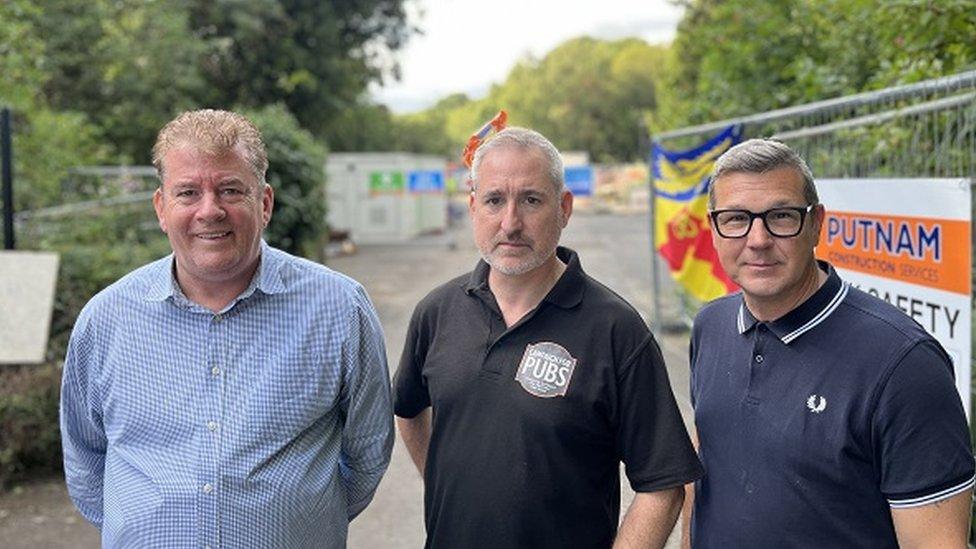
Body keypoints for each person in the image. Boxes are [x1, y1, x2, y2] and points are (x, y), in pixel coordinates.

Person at [60, 109, 393, 548]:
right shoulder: (106, 319)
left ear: (266, 203)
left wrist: (300, 521)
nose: (209, 210)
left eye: (230, 190)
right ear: (162, 208)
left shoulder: (338, 308)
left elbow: (369, 451)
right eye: (188, 193)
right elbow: (85, 460)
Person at [393, 127, 703, 548]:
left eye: (531, 200)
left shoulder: (616, 330)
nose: (511, 223)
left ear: (564, 208)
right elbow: (408, 409)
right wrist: (451, 486)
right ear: (472, 208)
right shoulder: (437, 312)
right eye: (494, 200)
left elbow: (662, 485)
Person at [684, 138, 974, 547]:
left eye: (781, 216)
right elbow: (705, 462)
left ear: (818, 222)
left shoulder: (903, 365)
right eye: (736, 219)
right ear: (713, 227)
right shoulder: (710, 326)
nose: (758, 239)